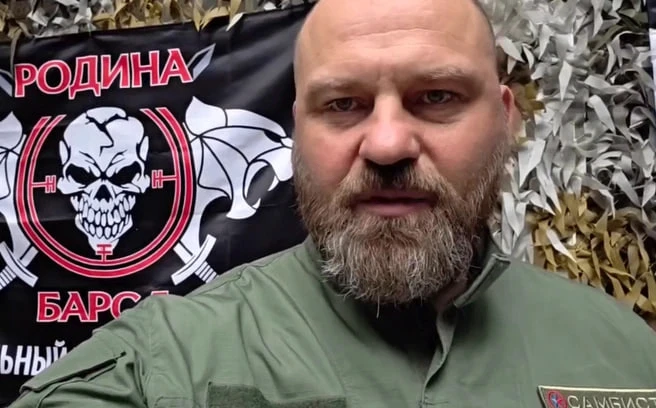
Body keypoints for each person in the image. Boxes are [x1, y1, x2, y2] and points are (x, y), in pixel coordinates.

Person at [10, 0, 656, 406]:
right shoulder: (168, 361)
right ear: (297, 131)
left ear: (506, 121)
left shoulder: (626, 359)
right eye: (343, 104)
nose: (387, 144)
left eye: (437, 97)